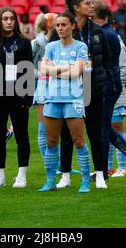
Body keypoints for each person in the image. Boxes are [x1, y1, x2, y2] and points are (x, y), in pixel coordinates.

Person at [56, 0, 111, 189]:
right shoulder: (62, 30)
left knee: (95, 134)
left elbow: (107, 60)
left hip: (93, 91)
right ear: (76, 8)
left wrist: (103, 82)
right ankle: (65, 175)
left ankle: (101, 175)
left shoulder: (97, 31)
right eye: (87, 3)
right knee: (66, 134)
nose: (92, 6)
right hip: (69, 91)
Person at [93, 0, 126, 187]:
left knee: (107, 127)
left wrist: (114, 86)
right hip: (108, 86)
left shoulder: (108, 35)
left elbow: (120, 68)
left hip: (109, 88)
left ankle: (109, 169)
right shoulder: (107, 33)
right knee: (104, 127)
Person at [38, 13, 91, 193]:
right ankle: (50, 181)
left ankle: (85, 181)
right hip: (52, 99)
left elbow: (78, 73)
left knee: (79, 141)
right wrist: (67, 68)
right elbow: (43, 69)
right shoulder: (51, 46)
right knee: (51, 142)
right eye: (57, 25)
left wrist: (55, 70)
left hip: (73, 99)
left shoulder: (81, 46)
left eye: (63, 25)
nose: (60, 28)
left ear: (72, 26)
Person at [0, 7, 33, 188]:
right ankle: (0, 176)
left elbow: (29, 70)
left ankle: (21, 175)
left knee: (21, 135)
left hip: (18, 96)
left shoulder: (24, 43)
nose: (9, 22)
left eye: (12, 19)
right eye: (5, 19)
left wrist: (29, 97)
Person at [31, 12, 57, 161]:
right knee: (43, 127)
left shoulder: (61, 41)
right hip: (42, 84)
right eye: (56, 19)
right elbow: (29, 66)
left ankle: (60, 165)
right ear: (49, 24)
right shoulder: (36, 43)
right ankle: (48, 162)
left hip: (58, 84)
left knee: (56, 128)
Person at [108, 36, 126, 177]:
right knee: (105, 131)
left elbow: (124, 70)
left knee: (117, 129)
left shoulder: (117, 42)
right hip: (102, 94)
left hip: (115, 94)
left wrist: (114, 87)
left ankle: (122, 167)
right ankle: (108, 167)